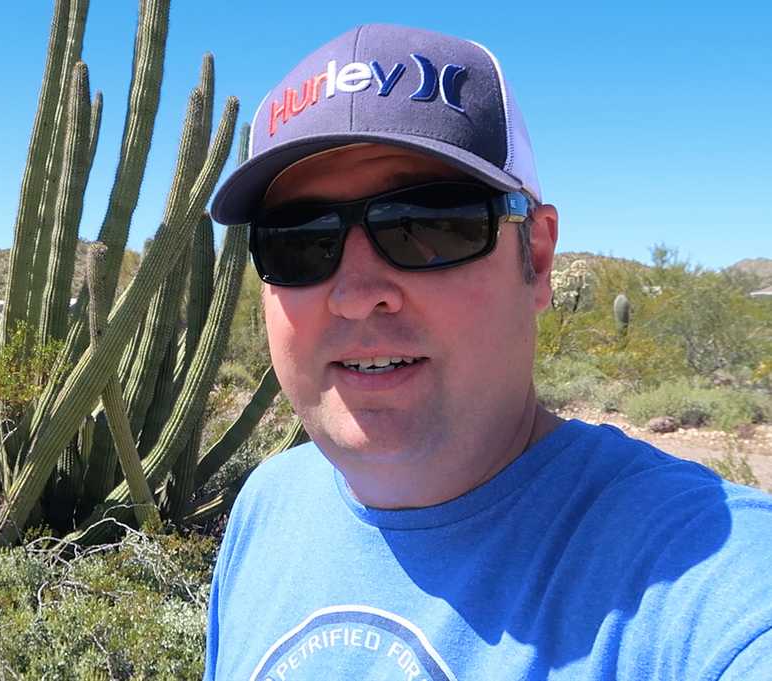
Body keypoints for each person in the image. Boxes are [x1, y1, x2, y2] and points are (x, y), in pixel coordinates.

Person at [203, 24, 772, 680]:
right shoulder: (267, 506)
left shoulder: (696, 573)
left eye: (428, 225)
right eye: (296, 240)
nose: (357, 294)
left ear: (536, 254)